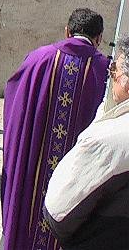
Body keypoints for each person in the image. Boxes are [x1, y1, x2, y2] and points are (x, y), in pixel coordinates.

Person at [0, 8, 108, 250]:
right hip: (79, 180)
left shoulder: (39, 59)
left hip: (33, 172)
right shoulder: (106, 72)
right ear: (99, 38)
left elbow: (14, 104)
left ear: (67, 31)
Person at [44, 36, 129, 249]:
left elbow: (58, 213)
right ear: (99, 36)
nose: (110, 78)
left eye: (114, 71)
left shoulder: (109, 140)